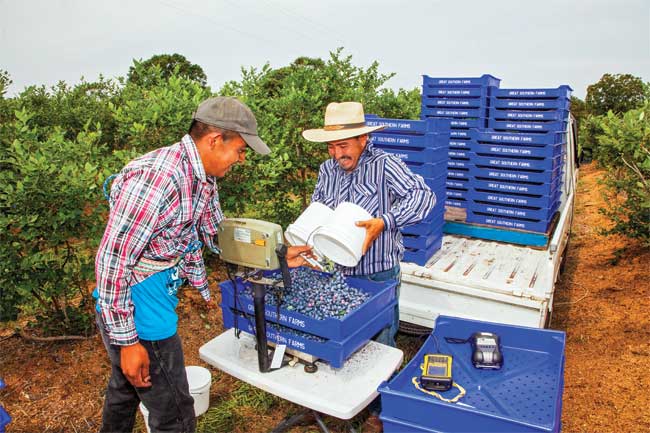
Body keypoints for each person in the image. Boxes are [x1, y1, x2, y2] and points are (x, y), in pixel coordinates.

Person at [94, 96, 312, 433]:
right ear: (214, 140)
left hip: (155, 295)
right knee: (176, 414)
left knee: (125, 389)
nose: (241, 159)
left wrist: (278, 256)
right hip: (139, 306)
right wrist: (127, 342)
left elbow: (218, 236)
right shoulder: (159, 179)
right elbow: (112, 261)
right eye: (240, 150)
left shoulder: (202, 180)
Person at [302, 101, 436, 431]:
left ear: (363, 139)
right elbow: (319, 207)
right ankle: (342, 399)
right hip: (338, 272)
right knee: (342, 340)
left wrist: (385, 221)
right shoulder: (327, 169)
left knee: (380, 344)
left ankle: (379, 409)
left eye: (343, 145)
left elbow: (423, 197)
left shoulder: (386, 165)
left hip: (377, 273)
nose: (336, 154)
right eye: (332, 146)